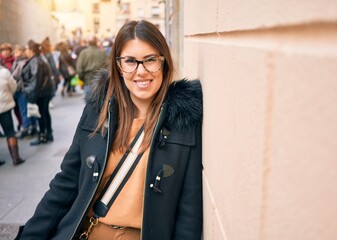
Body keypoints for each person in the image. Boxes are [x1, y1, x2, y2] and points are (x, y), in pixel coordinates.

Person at [16, 20, 203, 240]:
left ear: (164, 62)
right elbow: (65, 184)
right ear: (118, 66)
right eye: (130, 61)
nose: (140, 71)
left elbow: (188, 213)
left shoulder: (183, 120)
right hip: (86, 232)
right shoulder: (98, 110)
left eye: (150, 60)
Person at [22, 39, 55, 145]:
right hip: (44, 92)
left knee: (41, 114)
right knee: (44, 112)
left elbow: (35, 82)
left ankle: (43, 136)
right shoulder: (38, 59)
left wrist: (30, 96)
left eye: (26, 48)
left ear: (31, 50)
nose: (25, 51)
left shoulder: (36, 61)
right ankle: (48, 133)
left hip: (40, 93)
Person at [0, 64, 25, 166]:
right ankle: (16, 158)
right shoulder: (4, 72)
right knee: (10, 132)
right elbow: (13, 86)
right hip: (4, 106)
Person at [12, 44, 38, 139]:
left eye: (18, 51)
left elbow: (16, 75)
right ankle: (33, 127)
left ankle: (26, 128)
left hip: (22, 89)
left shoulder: (22, 62)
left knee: (24, 109)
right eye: (15, 51)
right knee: (28, 108)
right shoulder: (18, 61)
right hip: (23, 88)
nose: (15, 53)